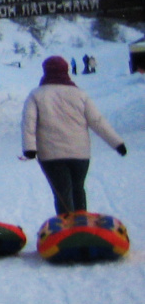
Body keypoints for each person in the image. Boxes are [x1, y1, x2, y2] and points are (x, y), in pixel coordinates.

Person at [20, 55, 127, 216]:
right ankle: (82, 227)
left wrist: (29, 149)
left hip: (51, 156)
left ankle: (67, 232)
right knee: (78, 189)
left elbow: (29, 123)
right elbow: (97, 122)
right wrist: (117, 143)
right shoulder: (79, 94)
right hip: (80, 154)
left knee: (62, 194)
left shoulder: (36, 95)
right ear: (66, 71)